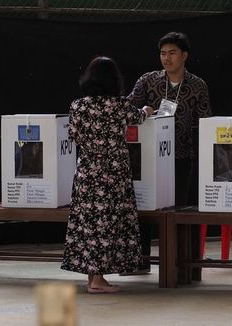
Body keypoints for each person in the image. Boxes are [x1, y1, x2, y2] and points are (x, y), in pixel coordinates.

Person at [61, 56, 154, 293]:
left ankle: (92, 276)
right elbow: (139, 117)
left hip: (86, 172)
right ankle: (99, 280)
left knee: (89, 225)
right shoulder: (119, 105)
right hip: (113, 173)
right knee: (108, 224)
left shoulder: (78, 105)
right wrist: (146, 109)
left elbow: (73, 136)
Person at [125, 31, 212, 274]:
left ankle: (181, 263)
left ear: (184, 56)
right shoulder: (148, 80)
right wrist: (142, 110)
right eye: (163, 54)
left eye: (172, 53)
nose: (167, 58)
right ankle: (140, 260)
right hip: (146, 157)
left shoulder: (197, 85)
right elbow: (127, 107)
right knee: (143, 208)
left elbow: (205, 121)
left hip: (181, 155)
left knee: (179, 209)